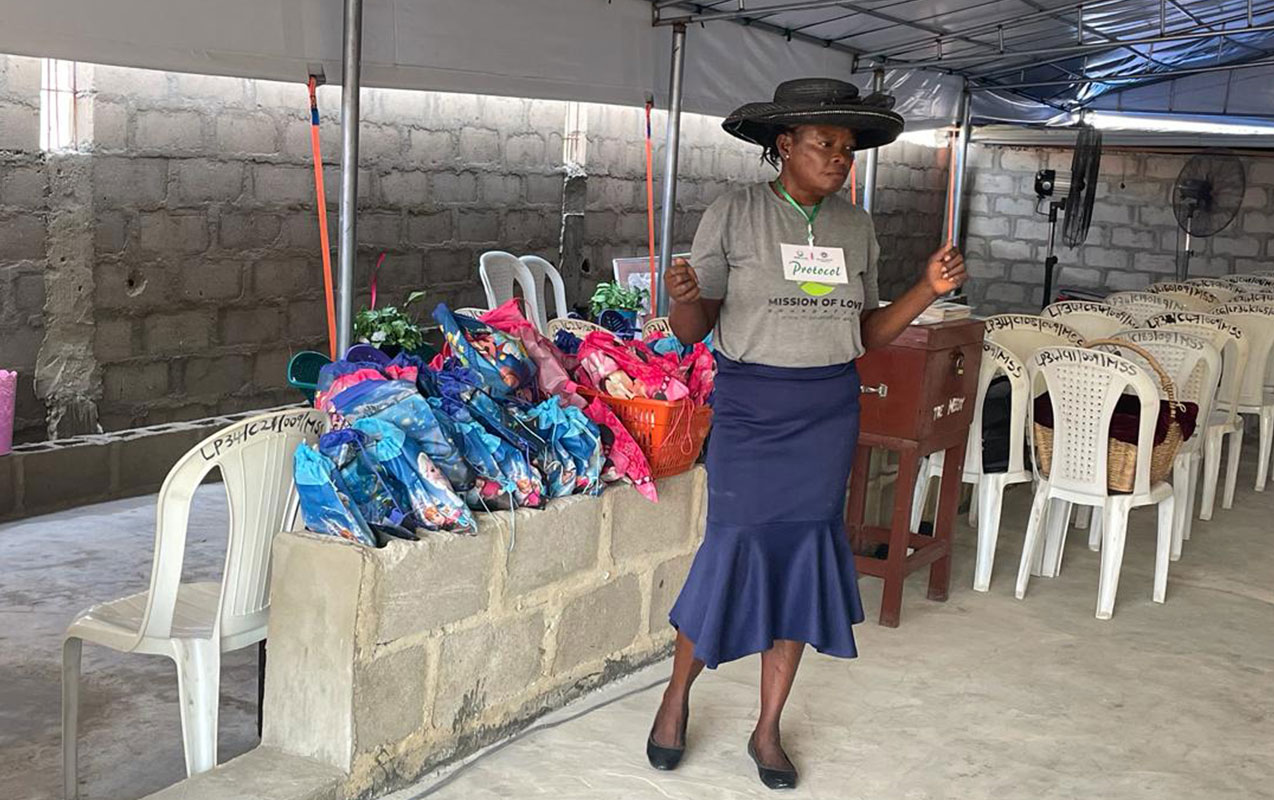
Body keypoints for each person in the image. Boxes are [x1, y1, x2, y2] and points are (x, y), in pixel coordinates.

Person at [647, 78, 967, 790]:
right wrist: (684, 301)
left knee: (800, 564)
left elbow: (866, 334)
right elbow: (694, 332)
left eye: (848, 147)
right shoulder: (734, 213)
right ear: (783, 145)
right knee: (730, 551)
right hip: (753, 411)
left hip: (826, 412)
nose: (839, 157)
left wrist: (926, 290)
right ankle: (676, 697)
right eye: (825, 142)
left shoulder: (856, 227)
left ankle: (767, 729)